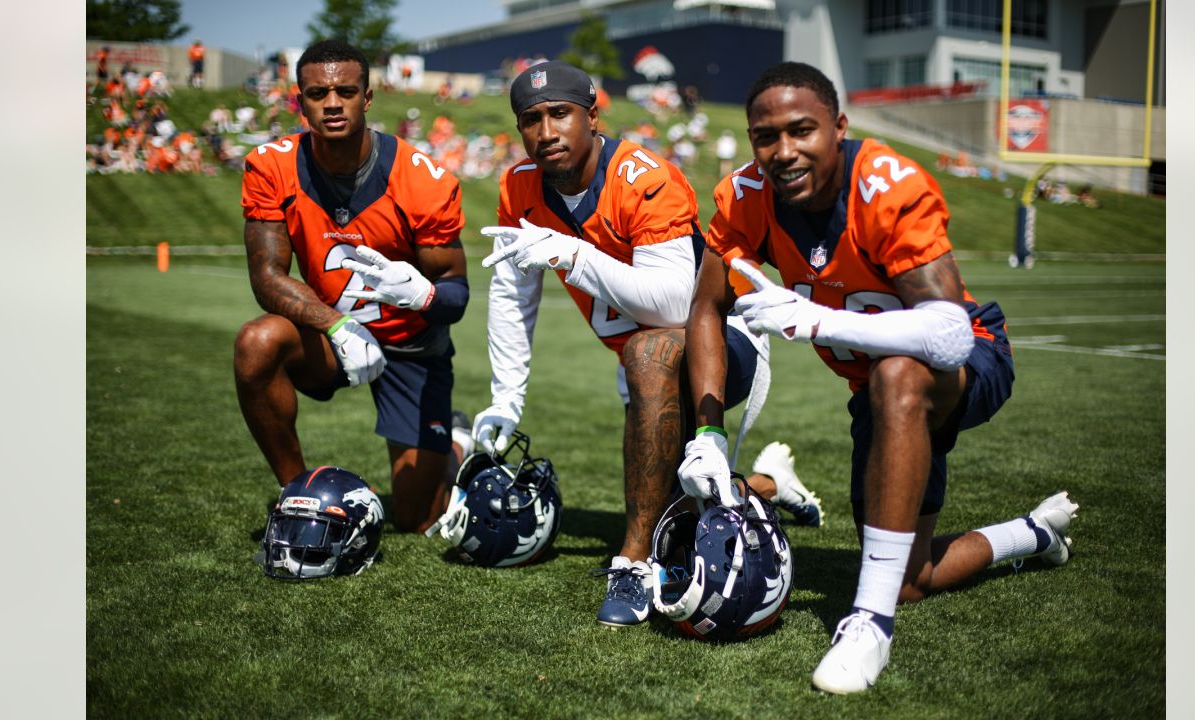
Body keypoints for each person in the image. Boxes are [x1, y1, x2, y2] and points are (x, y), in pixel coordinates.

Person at [682, 62, 1079, 693]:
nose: (784, 151)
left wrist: (817, 321)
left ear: (838, 127)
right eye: (766, 137)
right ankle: (1031, 535)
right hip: (878, 389)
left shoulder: (886, 183)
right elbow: (706, 305)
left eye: (802, 130)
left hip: (967, 363)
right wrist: (706, 430)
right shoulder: (745, 195)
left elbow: (947, 335)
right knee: (911, 577)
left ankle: (868, 624)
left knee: (897, 373)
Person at [474, 61, 823, 628]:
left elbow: (672, 305)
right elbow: (512, 297)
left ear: (591, 116)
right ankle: (765, 485)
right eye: (530, 120)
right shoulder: (519, 186)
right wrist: (506, 398)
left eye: (559, 114)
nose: (546, 132)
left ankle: (632, 564)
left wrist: (570, 253)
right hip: (643, 361)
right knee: (676, 509)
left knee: (649, 358)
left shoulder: (643, 177)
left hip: (719, 345)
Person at [234, 39, 473, 534]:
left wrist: (421, 295)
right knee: (257, 343)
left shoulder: (422, 180)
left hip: (411, 345)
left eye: (346, 91)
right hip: (332, 336)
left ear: (367, 98)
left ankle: (455, 444)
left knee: (416, 518)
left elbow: (457, 294)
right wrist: (337, 324)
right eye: (318, 93)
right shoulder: (271, 166)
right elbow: (267, 276)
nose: (333, 103)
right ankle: (299, 499)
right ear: (300, 101)